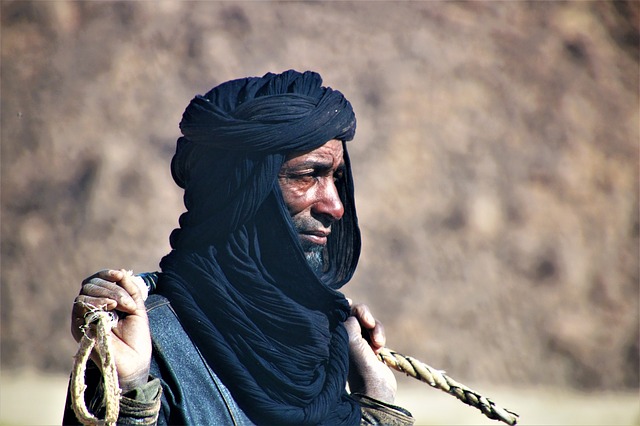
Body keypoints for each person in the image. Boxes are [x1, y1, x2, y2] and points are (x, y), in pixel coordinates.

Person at [64, 70, 414, 425]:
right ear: (242, 190)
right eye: (308, 175)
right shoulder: (141, 347)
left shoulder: (327, 351)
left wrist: (376, 402)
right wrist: (130, 393)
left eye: (335, 178)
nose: (335, 206)